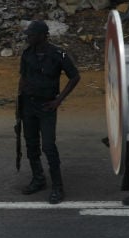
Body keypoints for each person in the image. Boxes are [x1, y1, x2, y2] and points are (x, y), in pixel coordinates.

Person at [19, 20, 80, 204]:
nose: (28, 37)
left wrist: (58, 101)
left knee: (48, 146)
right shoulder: (27, 54)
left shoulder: (58, 53)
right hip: (28, 105)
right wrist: (19, 107)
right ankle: (38, 179)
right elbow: (23, 78)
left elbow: (75, 76)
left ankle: (57, 186)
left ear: (42, 36)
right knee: (31, 144)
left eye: (31, 34)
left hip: (47, 106)